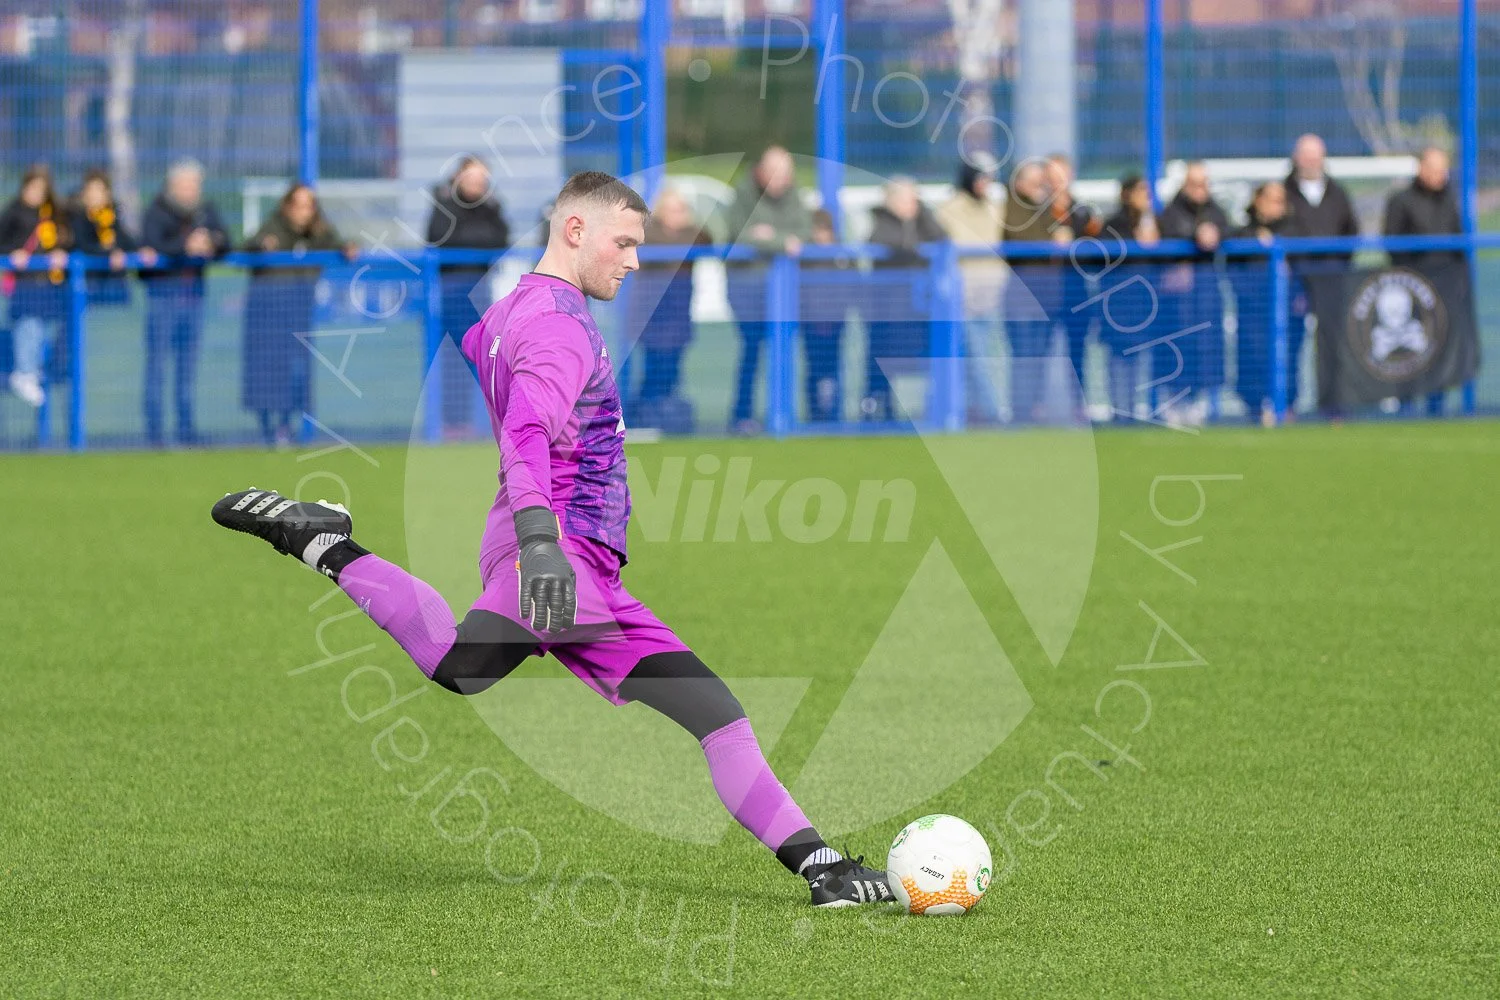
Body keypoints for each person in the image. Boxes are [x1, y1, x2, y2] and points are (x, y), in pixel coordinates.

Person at [211, 171, 893, 909]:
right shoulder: (562, 326)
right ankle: (322, 543)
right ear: (575, 231)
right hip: (559, 556)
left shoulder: (506, 314)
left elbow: (492, 368)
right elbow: (529, 431)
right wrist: (540, 540)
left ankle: (826, 871)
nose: (634, 260)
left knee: (712, 712)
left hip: (576, 562)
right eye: (624, 242)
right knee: (463, 665)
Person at [241, 183, 357, 447]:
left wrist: (348, 247)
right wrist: (261, 246)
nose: (305, 212)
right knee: (267, 372)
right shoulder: (272, 227)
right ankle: (268, 427)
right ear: (288, 206)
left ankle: (286, 425)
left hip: (297, 312)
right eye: (300, 205)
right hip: (267, 313)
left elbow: (338, 243)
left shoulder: (318, 232)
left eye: (310, 206)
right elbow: (247, 247)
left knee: (297, 371)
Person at [141, 159, 230, 446]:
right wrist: (185, 247)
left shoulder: (206, 211)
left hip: (193, 300)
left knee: (187, 370)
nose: (192, 191)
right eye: (186, 185)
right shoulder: (157, 211)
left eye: (195, 185)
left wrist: (211, 242)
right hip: (162, 300)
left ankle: (186, 430)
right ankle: (154, 434)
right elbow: (151, 245)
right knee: (157, 367)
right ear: (173, 186)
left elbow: (227, 242)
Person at [725, 146, 812, 435]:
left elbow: (803, 233)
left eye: (786, 174)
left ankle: (784, 415)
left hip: (785, 293)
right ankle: (742, 416)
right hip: (748, 290)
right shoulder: (743, 194)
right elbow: (742, 233)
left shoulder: (794, 195)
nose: (781, 179)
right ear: (761, 171)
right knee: (751, 351)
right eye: (775, 173)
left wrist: (768, 236)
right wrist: (779, 241)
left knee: (785, 351)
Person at [426, 156, 511, 438]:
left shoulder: (491, 207)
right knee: (452, 359)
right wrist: (477, 238)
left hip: (482, 290)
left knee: (484, 357)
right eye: (472, 178)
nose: (477, 185)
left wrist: (477, 234)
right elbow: (442, 237)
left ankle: (479, 423)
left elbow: (499, 239)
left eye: (481, 180)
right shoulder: (444, 206)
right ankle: (451, 423)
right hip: (452, 291)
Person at [1383, 146, 1466, 415]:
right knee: (1409, 346)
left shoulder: (1450, 200)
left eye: (1444, 170)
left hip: (1444, 287)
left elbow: (1459, 241)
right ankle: (1406, 403)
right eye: (1435, 169)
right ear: (1421, 169)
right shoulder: (1401, 201)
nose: (1441, 175)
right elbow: (1392, 243)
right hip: (1412, 287)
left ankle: (1436, 403)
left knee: (1439, 345)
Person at [1283, 134, 1359, 416]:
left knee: (1332, 343)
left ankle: (1332, 405)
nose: (1311, 161)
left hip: (1331, 278)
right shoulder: (1284, 192)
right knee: (1290, 341)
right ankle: (1287, 403)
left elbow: (1352, 231)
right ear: (1296, 158)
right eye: (1306, 155)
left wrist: (1338, 264)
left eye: (1316, 156)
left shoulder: (1337, 192)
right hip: (1294, 281)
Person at [863, 177, 947, 421]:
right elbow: (886, 244)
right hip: (887, 311)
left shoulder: (921, 222)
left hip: (918, 309)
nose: (912, 204)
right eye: (909, 198)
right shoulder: (881, 223)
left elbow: (942, 238)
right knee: (882, 365)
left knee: (924, 361)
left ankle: (929, 411)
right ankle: (879, 411)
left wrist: (924, 213)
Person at [626, 186, 709, 430]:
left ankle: (662, 420)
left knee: (672, 372)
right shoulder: (648, 233)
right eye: (672, 209)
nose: (678, 215)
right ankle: (640, 418)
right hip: (651, 316)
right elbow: (659, 247)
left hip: (678, 316)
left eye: (682, 210)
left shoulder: (691, 233)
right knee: (653, 371)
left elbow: (706, 237)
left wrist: (685, 231)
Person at [1157, 161, 1230, 426]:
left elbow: (1226, 228)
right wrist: (1194, 236)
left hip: (1206, 295)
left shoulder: (1215, 211)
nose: (1200, 190)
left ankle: (1203, 401)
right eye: (1195, 184)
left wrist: (1215, 232)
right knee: (1177, 345)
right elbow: (1166, 233)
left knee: (1207, 345)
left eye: (1204, 184)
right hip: (1177, 298)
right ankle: (1175, 401)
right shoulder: (1171, 211)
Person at [936, 154, 1005, 424]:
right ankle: (992, 412)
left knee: (983, 357)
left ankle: (977, 412)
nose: (985, 184)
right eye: (981, 177)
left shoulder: (994, 208)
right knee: (976, 358)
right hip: (963, 297)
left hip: (991, 295)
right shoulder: (950, 210)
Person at [0, 165, 73, 408]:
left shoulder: (52, 214)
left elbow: (66, 239)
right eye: (33, 188)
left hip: (47, 283)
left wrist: (60, 253)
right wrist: (13, 254)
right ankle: (24, 371)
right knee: (27, 324)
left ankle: (33, 370)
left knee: (41, 327)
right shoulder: (14, 211)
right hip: (24, 283)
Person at [1229, 181, 1296, 424]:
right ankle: (1256, 406)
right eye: (1270, 199)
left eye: (1280, 200)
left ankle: (1286, 405)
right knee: (1253, 355)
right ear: (1258, 201)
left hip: (1287, 310)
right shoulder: (1244, 234)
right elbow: (1234, 271)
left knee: (1287, 355)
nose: (1275, 206)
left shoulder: (1294, 232)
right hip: (1254, 309)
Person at [1003, 160, 1064, 423]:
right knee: (1024, 357)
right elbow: (1021, 240)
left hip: (1046, 298)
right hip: (1022, 299)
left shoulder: (1046, 208)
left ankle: (1034, 408)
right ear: (1020, 184)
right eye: (1036, 181)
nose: (1042, 186)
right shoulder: (1012, 209)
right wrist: (1054, 239)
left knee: (1039, 357)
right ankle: (1021, 412)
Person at [1046, 154, 1105, 416]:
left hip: (1075, 293)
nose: (1057, 182)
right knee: (1038, 351)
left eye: (1062, 175)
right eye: (1052, 176)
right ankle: (1034, 408)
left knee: (1077, 353)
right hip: (1044, 293)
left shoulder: (1083, 212)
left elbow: (1098, 252)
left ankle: (1079, 406)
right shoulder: (1036, 212)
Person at [1099, 174, 1161, 422]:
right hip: (1118, 303)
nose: (1145, 197)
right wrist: (1137, 241)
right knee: (1118, 357)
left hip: (1144, 304)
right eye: (1140, 191)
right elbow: (1104, 255)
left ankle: (1134, 410)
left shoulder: (1154, 222)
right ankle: (1119, 410)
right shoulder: (1114, 223)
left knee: (1139, 358)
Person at [71, 168, 157, 308]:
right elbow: (82, 246)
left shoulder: (112, 218)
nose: (94, 195)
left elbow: (127, 241)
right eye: (90, 190)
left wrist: (141, 250)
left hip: (115, 289)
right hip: (90, 290)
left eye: (99, 190)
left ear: (107, 193)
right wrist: (110, 254)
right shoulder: (78, 219)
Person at [799, 208, 854, 422]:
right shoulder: (806, 256)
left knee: (833, 367)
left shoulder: (841, 256)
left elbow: (852, 284)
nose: (822, 236)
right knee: (814, 367)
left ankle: (831, 413)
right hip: (811, 322)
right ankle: (815, 413)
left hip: (835, 320)